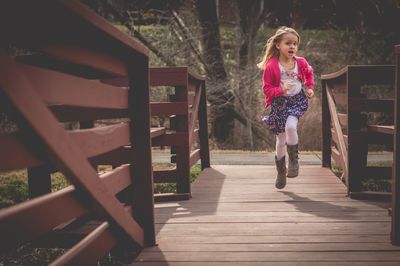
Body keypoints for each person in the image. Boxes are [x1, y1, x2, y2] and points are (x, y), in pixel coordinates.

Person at [257, 26, 314, 189]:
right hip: (280, 104)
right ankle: (281, 172)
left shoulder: (300, 62)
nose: (292, 47)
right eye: (288, 43)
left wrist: (309, 87)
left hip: (296, 101)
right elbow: (267, 89)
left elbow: (309, 73)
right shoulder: (271, 66)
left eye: (295, 44)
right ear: (278, 45)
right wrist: (281, 90)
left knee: (290, 127)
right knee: (280, 139)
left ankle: (294, 163)